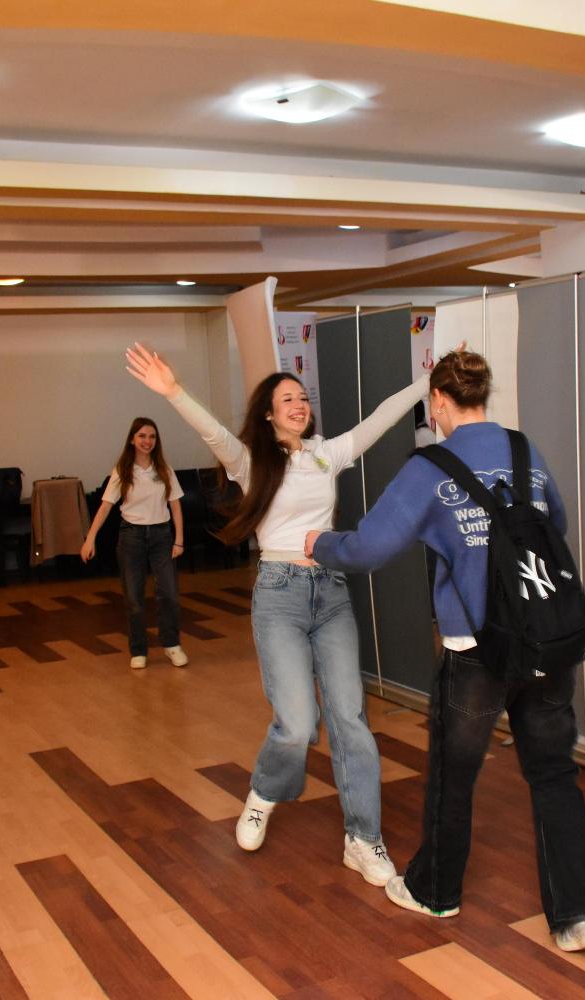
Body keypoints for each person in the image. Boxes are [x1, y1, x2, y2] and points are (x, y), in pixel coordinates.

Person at [306, 349, 585, 954]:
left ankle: (434, 891)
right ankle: (581, 914)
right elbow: (556, 525)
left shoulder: (429, 468)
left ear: (440, 401)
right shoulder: (524, 451)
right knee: (554, 773)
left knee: (455, 773)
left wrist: (320, 544)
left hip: (475, 649)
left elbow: (368, 548)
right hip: (545, 637)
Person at [125, 342, 429, 886]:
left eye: (303, 397)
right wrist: (173, 391)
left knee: (351, 720)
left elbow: (382, 418)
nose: (299, 404)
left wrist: (428, 382)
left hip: (330, 591)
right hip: (279, 594)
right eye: (287, 398)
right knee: (297, 724)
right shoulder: (250, 460)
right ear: (268, 414)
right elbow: (213, 433)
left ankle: (363, 839)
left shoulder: (327, 453)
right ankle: (265, 793)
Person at [80, 417, 189, 670]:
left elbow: (175, 505)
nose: (147, 441)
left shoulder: (164, 469)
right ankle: (138, 650)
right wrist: (90, 538)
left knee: (169, 593)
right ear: (132, 439)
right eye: (142, 436)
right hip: (131, 537)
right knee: (134, 598)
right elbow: (105, 507)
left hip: (161, 535)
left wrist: (179, 540)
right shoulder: (122, 470)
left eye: (152, 437)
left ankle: (172, 644)